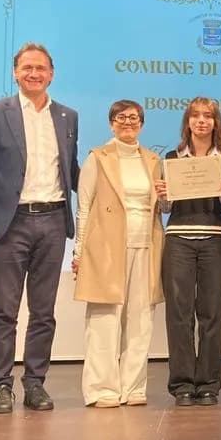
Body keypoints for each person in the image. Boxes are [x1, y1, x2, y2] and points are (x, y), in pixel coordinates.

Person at [0, 42, 79, 414]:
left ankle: (35, 384)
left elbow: (73, 172)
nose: (34, 73)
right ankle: (0, 386)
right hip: (9, 224)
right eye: (27, 68)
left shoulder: (67, 116)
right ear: (15, 72)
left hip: (52, 220)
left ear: (52, 74)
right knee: (5, 310)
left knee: (44, 311)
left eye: (41, 68)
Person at [72, 100, 164, 408]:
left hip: (146, 245)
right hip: (106, 248)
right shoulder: (97, 158)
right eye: (121, 118)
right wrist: (79, 251)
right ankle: (102, 389)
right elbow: (84, 208)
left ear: (142, 123)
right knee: (104, 319)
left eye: (134, 118)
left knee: (141, 321)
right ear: (111, 123)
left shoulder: (152, 160)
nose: (128, 122)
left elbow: (161, 206)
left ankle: (134, 387)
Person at [155, 98, 221, 407]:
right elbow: (166, 208)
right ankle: (182, 383)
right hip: (179, 240)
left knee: (212, 314)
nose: (202, 121)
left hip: (214, 238)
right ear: (187, 122)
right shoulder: (172, 157)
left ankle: (209, 384)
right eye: (195, 116)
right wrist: (163, 197)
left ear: (216, 123)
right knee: (179, 314)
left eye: (208, 116)